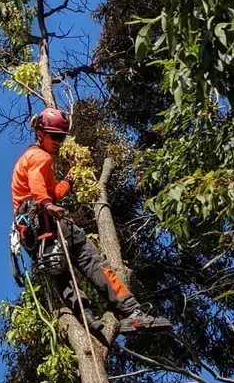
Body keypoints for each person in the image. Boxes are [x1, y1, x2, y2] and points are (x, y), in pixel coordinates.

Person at [12, 108, 171, 335]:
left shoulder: (29, 160)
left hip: (32, 234)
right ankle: (132, 312)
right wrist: (47, 205)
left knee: (60, 272)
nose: (58, 141)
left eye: (61, 137)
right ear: (40, 133)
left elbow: (53, 192)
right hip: (45, 220)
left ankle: (85, 315)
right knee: (92, 260)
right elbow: (39, 187)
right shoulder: (39, 157)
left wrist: (70, 176)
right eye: (54, 136)